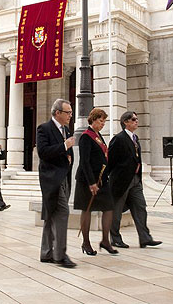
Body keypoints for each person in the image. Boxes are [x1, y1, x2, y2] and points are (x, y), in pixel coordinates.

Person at [108, 111, 162, 249]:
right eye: (133, 119)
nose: (136, 121)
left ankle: (145, 238)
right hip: (121, 181)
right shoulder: (118, 139)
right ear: (125, 122)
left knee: (140, 207)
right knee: (117, 212)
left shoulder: (135, 138)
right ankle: (115, 238)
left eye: (136, 119)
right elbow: (110, 162)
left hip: (135, 180)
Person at [36, 98, 76, 268]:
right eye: (68, 112)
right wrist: (64, 146)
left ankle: (46, 253)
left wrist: (68, 156)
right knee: (62, 213)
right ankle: (60, 255)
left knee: (51, 213)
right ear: (57, 112)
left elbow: (67, 153)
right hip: (51, 179)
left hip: (64, 177)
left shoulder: (66, 130)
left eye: (71, 112)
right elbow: (43, 152)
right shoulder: (44, 129)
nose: (71, 115)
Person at [74, 108, 117, 256]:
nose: (103, 123)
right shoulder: (86, 137)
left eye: (104, 121)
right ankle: (86, 242)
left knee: (109, 208)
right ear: (93, 120)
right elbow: (84, 162)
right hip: (87, 180)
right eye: (101, 120)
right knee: (87, 209)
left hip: (102, 179)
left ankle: (105, 241)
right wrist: (91, 183)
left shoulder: (99, 136)